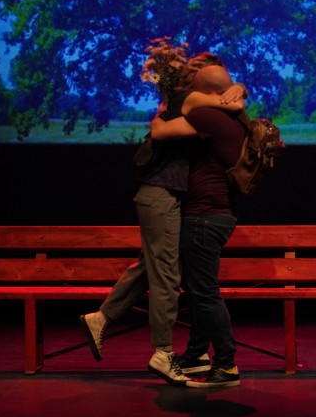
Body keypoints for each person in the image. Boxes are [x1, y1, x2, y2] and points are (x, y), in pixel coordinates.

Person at [79, 52, 246, 386]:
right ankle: (165, 352)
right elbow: (160, 130)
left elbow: (174, 115)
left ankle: (105, 319)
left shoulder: (190, 105)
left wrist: (238, 89)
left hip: (175, 198)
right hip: (164, 194)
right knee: (167, 274)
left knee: (155, 267)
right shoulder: (195, 102)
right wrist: (238, 93)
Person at [149, 64, 247, 388]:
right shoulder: (238, 116)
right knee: (198, 290)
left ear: (205, 93)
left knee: (204, 293)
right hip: (220, 212)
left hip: (204, 215)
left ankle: (227, 365)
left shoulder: (207, 116)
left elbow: (160, 132)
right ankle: (196, 354)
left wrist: (160, 112)